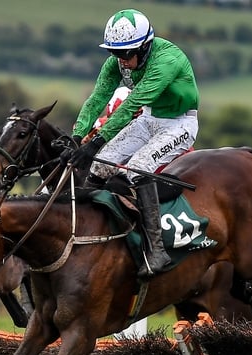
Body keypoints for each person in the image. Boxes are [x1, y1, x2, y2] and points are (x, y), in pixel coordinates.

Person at [63, 9, 200, 277]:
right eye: (115, 54)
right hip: (149, 120)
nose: (122, 61)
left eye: (127, 54)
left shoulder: (166, 60)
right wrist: (77, 137)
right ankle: (82, 229)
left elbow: (131, 105)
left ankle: (156, 250)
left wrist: (95, 143)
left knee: (137, 167)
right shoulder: (118, 61)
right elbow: (97, 98)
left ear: (145, 47)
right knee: (101, 167)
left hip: (180, 123)